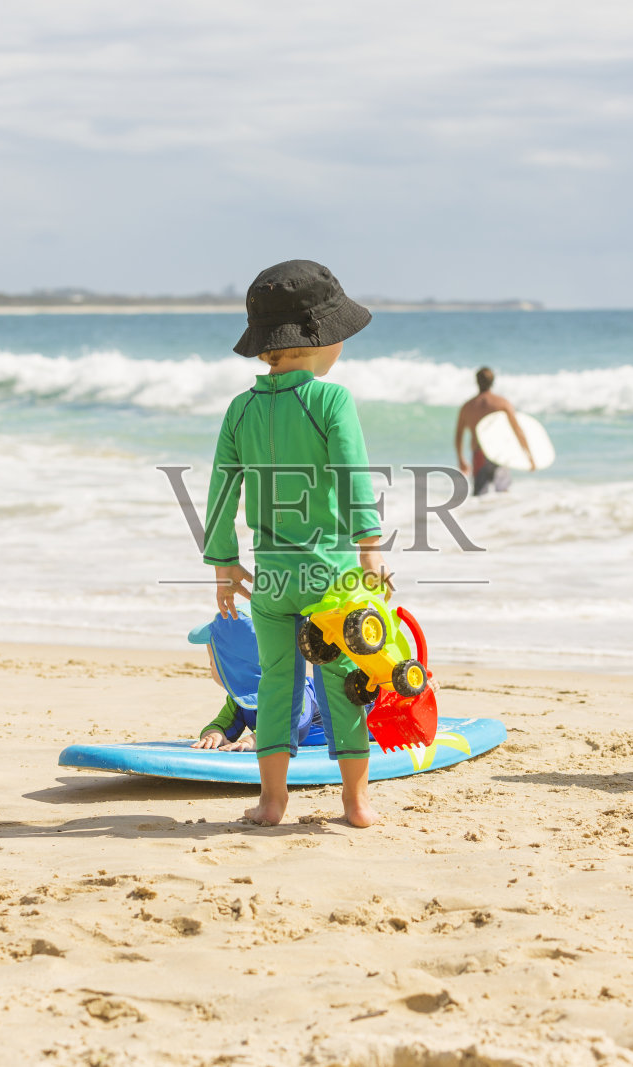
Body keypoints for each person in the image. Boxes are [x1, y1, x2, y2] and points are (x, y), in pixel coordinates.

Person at [203, 259, 387, 826]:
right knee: (344, 681)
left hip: (271, 578)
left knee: (278, 680)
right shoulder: (331, 402)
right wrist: (370, 548)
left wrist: (223, 564)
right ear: (320, 341)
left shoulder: (241, 409)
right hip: (330, 577)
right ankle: (355, 801)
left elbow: (219, 491)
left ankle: (271, 799)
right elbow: (354, 472)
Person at [187, 609, 326, 752]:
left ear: (239, 666)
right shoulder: (240, 699)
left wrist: (256, 739)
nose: (210, 665)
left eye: (215, 660)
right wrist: (214, 734)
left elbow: (297, 726)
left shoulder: (295, 690)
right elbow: (226, 724)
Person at [454, 366, 534, 496]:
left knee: (480, 495)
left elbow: (459, 435)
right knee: (503, 494)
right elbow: (517, 430)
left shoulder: (467, 406)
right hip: (498, 453)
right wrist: (529, 456)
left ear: (477, 382)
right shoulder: (502, 403)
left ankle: (479, 517)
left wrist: (461, 459)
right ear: (493, 382)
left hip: (479, 453)